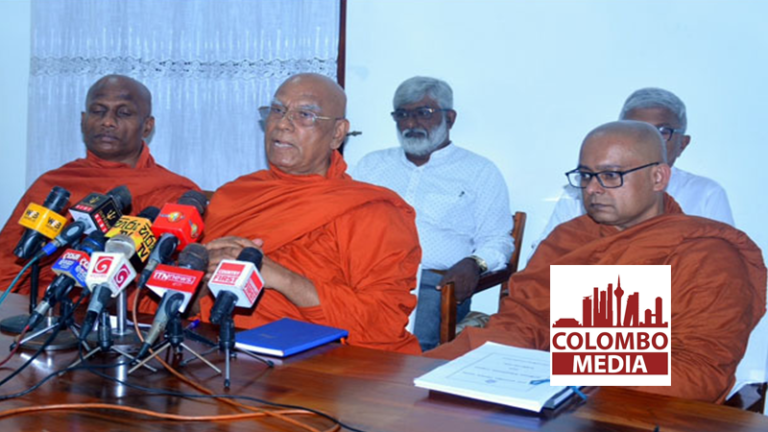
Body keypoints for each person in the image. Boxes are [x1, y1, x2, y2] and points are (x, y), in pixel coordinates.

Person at [427, 121, 766, 404]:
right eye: (586, 175)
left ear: (658, 178)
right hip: (548, 397)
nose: (593, 189)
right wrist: (449, 367)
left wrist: (569, 370)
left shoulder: (706, 255)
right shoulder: (570, 239)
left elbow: (699, 374)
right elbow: (523, 324)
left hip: (647, 410)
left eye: (611, 175)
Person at [198, 73, 422, 355]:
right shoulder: (235, 196)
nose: (282, 124)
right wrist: (201, 278)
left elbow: (382, 322)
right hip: (220, 348)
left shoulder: (372, 212)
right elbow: (191, 305)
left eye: (305, 115)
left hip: (325, 361)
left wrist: (282, 279)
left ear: (337, 133)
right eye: (277, 110)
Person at [351, 77, 513, 352]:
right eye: (402, 114)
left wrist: (475, 263)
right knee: (332, 331)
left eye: (423, 113)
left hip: (434, 284)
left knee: (410, 354)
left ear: (450, 118)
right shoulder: (372, 166)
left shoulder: (479, 171)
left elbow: (498, 239)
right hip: (367, 277)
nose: (411, 123)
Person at [0, 74, 200, 295]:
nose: (107, 122)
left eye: (124, 113)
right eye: (97, 111)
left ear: (147, 126)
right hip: (38, 302)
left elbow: (175, 279)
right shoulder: (54, 183)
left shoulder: (174, 191)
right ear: (83, 120)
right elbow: (9, 263)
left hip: (122, 307)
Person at [533, 88, 734, 256]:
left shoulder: (706, 193)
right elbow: (544, 270)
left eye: (662, 132)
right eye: (636, 130)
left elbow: (718, 265)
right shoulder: (581, 192)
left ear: (683, 143)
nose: (648, 139)